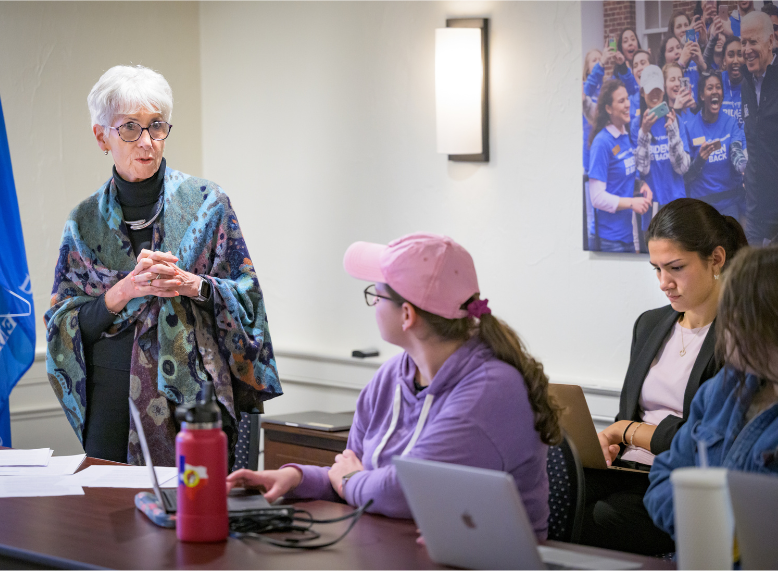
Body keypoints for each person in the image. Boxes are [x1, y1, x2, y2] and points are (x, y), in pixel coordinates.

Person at [226, 233, 560, 536]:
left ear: (407, 315)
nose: (373, 305)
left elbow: (402, 492)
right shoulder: (391, 376)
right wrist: (298, 478)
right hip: (397, 547)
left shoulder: (491, 391)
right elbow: (353, 472)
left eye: (376, 295)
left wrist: (350, 480)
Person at [45, 65, 282, 466]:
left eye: (156, 126)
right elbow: (63, 324)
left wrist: (195, 285)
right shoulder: (83, 221)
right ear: (102, 135)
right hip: (111, 406)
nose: (147, 142)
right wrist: (125, 291)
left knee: (193, 518)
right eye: (130, 128)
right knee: (110, 524)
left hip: (194, 403)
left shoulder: (208, 204)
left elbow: (248, 302)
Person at [581, 198, 749, 555]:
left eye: (675, 267)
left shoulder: (741, 336)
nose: (663, 283)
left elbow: (708, 436)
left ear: (716, 259)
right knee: (548, 490)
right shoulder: (651, 324)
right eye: (655, 269)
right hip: (628, 469)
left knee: (599, 517)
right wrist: (612, 440)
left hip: (684, 481)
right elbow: (628, 413)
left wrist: (627, 431)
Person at [644, 245, 778, 540]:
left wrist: (710, 519)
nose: (724, 328)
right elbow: (663, 479)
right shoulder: (721, 389)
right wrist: (705, 523)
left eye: (736, 317)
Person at [588, 80, 653, 252]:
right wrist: (632, 203)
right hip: (607, 239)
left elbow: (622, 179)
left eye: (627, 99)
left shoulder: (624, 136)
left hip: (626, 236)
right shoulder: (602, 143)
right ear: (608, 109)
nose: (627, 105)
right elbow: (597, 198)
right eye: (621, 101)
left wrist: (641, 185)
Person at [684, 71, 747, 219]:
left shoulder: (730, 122)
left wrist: (745, 167)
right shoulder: (690, 127)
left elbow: (736, 152)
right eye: (710, 88)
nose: (715, 91)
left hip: (729, 202)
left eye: (718, 87)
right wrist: (700, 160)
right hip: (702, 204)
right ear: (701, 95)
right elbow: (686, 177)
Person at [740, 12, 778, 245]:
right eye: (743, 42)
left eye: (753, 41)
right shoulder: (746, 84)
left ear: (771, 41)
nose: (746, 49)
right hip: (756, 212)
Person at [633, 66, 690, 213]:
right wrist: (644, 132)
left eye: (658, 89)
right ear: (642, 92)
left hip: (676, 203)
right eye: (650, 89)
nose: (654, 94)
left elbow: (682, 168)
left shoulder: (674, 119)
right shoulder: (636, 125)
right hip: (651, 205)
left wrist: (672, 133)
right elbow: (641, 170)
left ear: (664, 90)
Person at [719, 36, 746, 127]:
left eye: (740, 55)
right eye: (730, 55)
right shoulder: (718, 82)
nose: (735, 61)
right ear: (724, 60)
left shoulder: (752, 83)